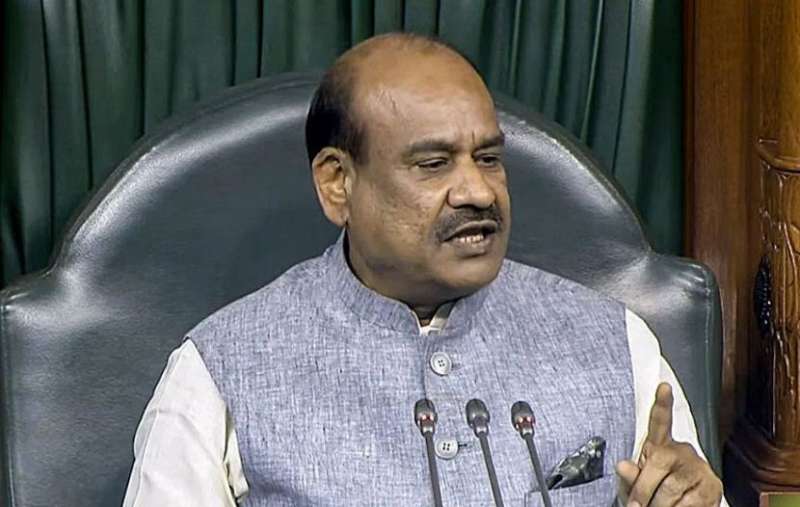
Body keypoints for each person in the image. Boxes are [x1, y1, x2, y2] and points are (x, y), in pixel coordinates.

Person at [122, 33, 725, 506]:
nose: (479, 192)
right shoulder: (221, 370)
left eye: (488, 158)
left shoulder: (616, 342)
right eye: (433, 164)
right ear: (338, 183)